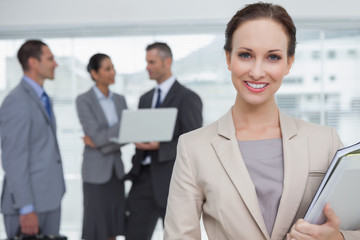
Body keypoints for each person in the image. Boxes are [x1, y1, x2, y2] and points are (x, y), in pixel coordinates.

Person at [164, 3, 360, 240]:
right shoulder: (194, 147)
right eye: (246, 55)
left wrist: (337, 238)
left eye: (273, 57)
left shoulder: (324, 140)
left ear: (289, 63)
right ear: (228, 58)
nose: (257, 72)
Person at [124, 42, 203, 240]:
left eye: (152, 62)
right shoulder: (145, 99)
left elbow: (193, 140)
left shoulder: (188, 98)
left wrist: (160, 146)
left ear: (167, 62)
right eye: (146, 62)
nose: (147, 67)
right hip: (142, 179)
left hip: (172, 180)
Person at [0, 40, 66, 237]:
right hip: (28, 205)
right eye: (50, 59)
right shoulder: (17, 101)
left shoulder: (42, 98)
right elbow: (13, 159)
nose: (55, 64)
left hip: (49, 199)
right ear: (33, 63)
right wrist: (26, 208)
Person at [76, 53, 127, 240]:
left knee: (113, 225)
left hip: (116, 172)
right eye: (107, 69)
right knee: (96, 226)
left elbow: (128, 135)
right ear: (94, 73)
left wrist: (99, 143)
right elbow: (99, 136)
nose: (113, 72)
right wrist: (119, 130)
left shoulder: (120, 100)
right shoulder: (83, 100)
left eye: (113, 67)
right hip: (95, 173)